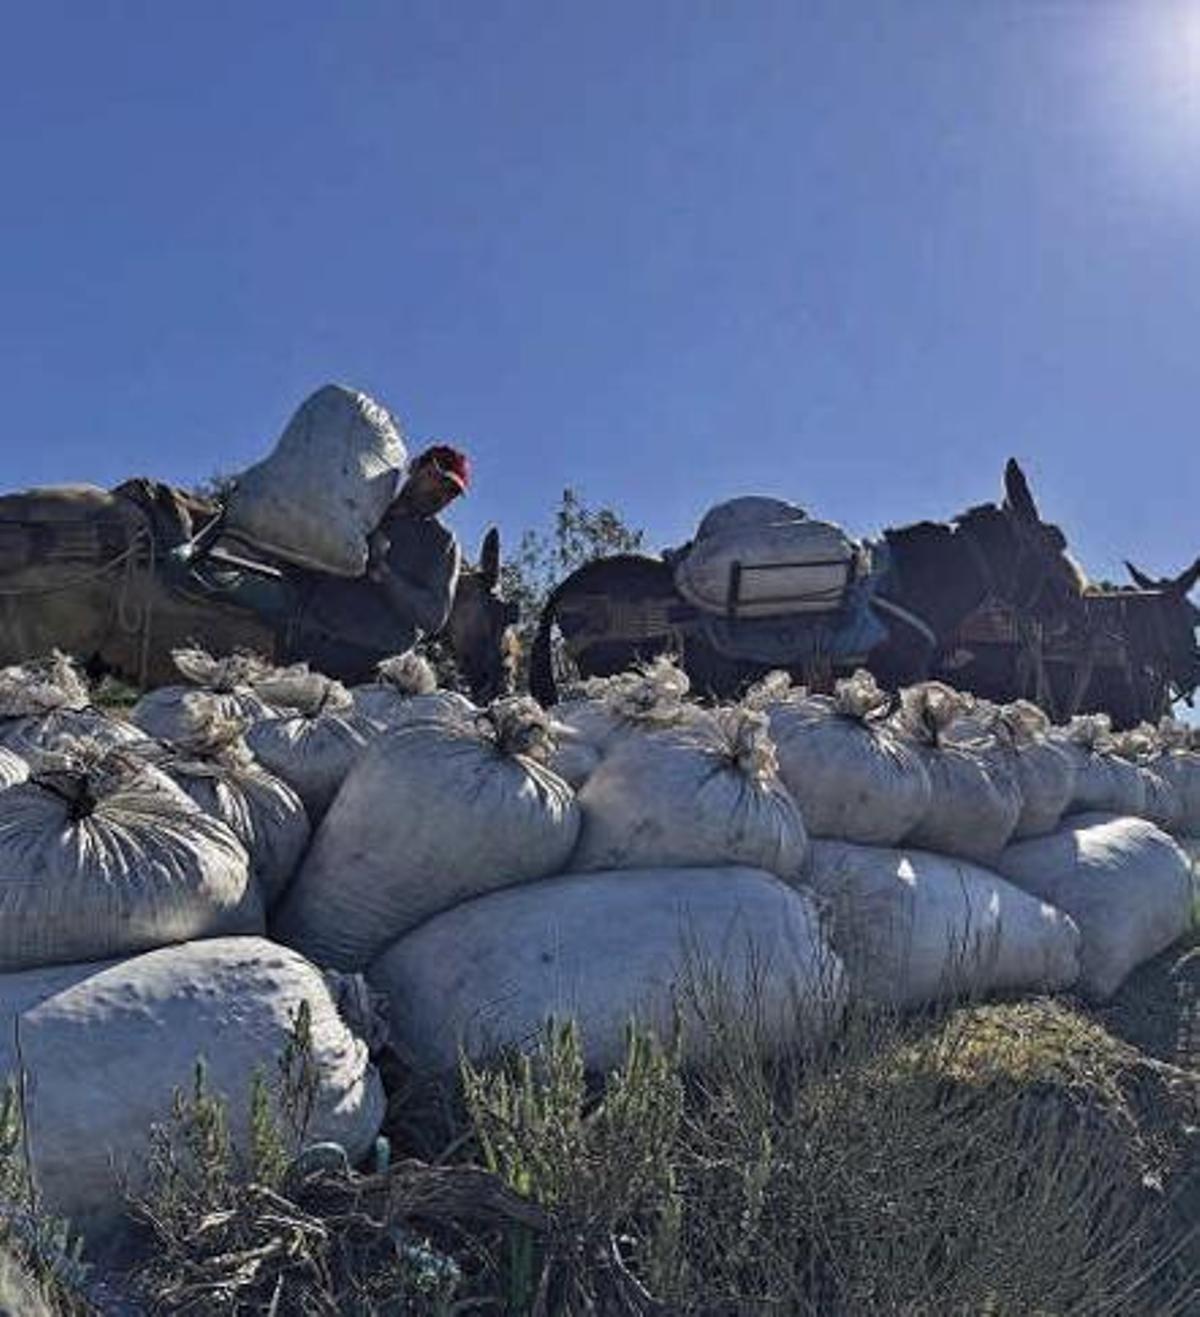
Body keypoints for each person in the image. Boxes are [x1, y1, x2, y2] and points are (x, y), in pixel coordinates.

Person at [288, 444, 470, 679]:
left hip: (373, 670)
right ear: (415, 467)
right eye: (436, 478)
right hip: (306, 645)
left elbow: (434, 616)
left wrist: (383, 572)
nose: (441, 494)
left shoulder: (441, 543)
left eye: (451, 492)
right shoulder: (362, 507)